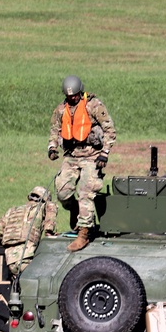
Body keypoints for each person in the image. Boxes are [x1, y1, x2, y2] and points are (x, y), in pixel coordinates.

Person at [47, 75, 116, 252]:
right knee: (62, 191)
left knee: (86, 191)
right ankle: (75, 210)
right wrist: (52, 147)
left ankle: (84, 232)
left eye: (75, 95)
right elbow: (55, 130)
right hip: (71, 156)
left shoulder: (93, 106)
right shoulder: (61, 109)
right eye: (69, 96)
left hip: (92, 156)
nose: (72, 99)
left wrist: (104, 154)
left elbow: (109, 130)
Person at [0, 186, 58, 277]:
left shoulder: (12, 211)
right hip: (26, 257)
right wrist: (49, 232)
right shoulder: (41, 207)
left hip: (10, 261)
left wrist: (9, 241)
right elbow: (51, 207)